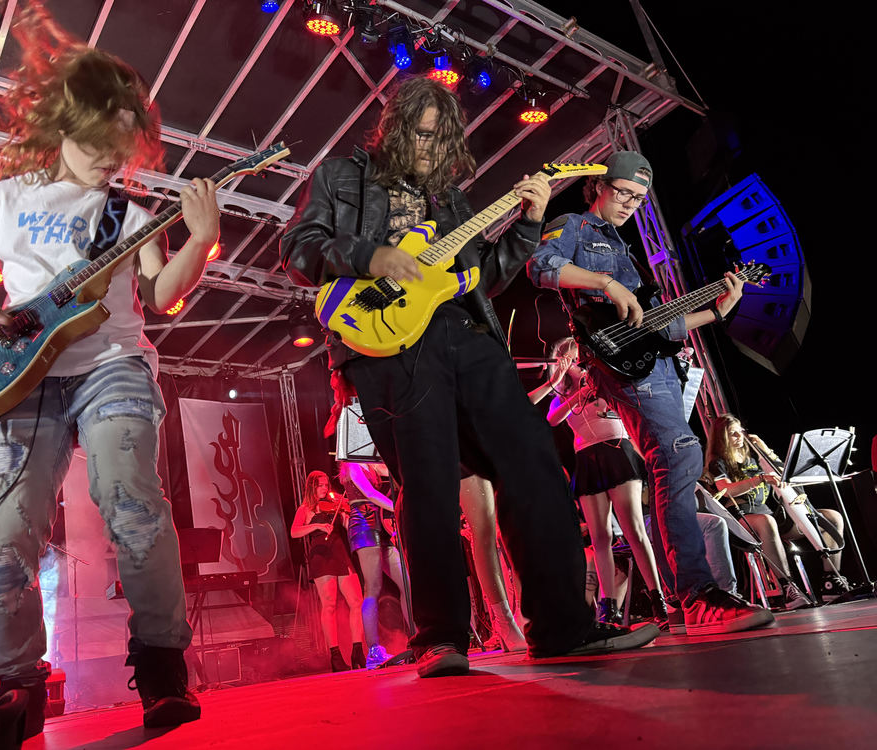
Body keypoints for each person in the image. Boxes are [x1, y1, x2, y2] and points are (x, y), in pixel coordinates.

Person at [281, 77, 657, 677]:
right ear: (395, 127)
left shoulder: (451, 201)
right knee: (427, 482)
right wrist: (369, 255)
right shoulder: (341, 177)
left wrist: (529, 225)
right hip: (384, 341)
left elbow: (486, 277)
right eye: (420, 134)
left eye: (441, 137)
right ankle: (442, 637)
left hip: (465, 331)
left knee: (532, 454)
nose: (430, 147)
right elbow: (299, 247)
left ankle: (562, 625)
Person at [0, 3, 217, 733]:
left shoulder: (126, 212)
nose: (108, 161)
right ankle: (17, 684)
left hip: (113, 363)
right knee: (3, 539)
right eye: (97, 146)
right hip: (21, 372)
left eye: (121, 149)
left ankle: (161, 666)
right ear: (64, 127)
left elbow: (159, 294)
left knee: (130, 499)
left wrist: (202, 238)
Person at [528, 150, 774, 636]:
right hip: (616, 361)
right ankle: (697, 595)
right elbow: (540, 266)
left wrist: (721, 309)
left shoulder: (627, 250)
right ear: (598, 187)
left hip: (655, 362)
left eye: (639, 199)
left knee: (678, 458)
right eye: (623, 193)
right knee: (679, 455)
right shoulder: (574, 226)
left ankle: (694, 597)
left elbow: (666, 324)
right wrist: (604, 284)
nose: (630, 205)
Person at [536, 338, 666, 627]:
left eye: (581, 356)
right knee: (599, 538)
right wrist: (577, 391)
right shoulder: (565, 395)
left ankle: (658, 598)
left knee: (633, 529)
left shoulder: (604, 381)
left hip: (617, 449)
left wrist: (593, 384)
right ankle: (608, 607)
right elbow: (553, 418)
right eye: (571, 358)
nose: (578, 361)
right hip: (587, 458)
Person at [704, 414, 850, 604]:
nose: (740, 437)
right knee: (767, 522)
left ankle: (831, 582)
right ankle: (788, 588)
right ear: (722, 437)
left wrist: (765, 450)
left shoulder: (753, 457)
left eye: (741, 432)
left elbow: (783, 473)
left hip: (768, 514)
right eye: (733, 434)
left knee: (832, 517)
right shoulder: (718, 462)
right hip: (741, 517)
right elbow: (725, 489)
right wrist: (760, 479)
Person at [290, 471, 366, 671]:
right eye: (321, 485)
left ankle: (358, 649)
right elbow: (294, 531)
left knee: (357, 601)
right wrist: (317, 525)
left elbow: (349, 526)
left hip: (340, 551)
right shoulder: (305, 508)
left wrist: (347, 512)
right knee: (329, 604)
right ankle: (335, 655)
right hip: (321, 555)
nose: (325, 488)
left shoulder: (334, 506)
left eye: (326, 485)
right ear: (312, 487)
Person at [338, 462, 411, 667]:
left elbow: (395, 470)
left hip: (379, 526)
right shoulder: (352, 466)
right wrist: (398, 507)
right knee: (373, 587)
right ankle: (373, 651)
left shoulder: (372, 464)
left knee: (406, 581)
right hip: (363, 523)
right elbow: (369, 494)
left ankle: (419, 638)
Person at [459, 475, 526, 651]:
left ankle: (525, 615)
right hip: (465, 455)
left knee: (516, 527)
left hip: (497, 451)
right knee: (484, 529)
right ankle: (505, 624)